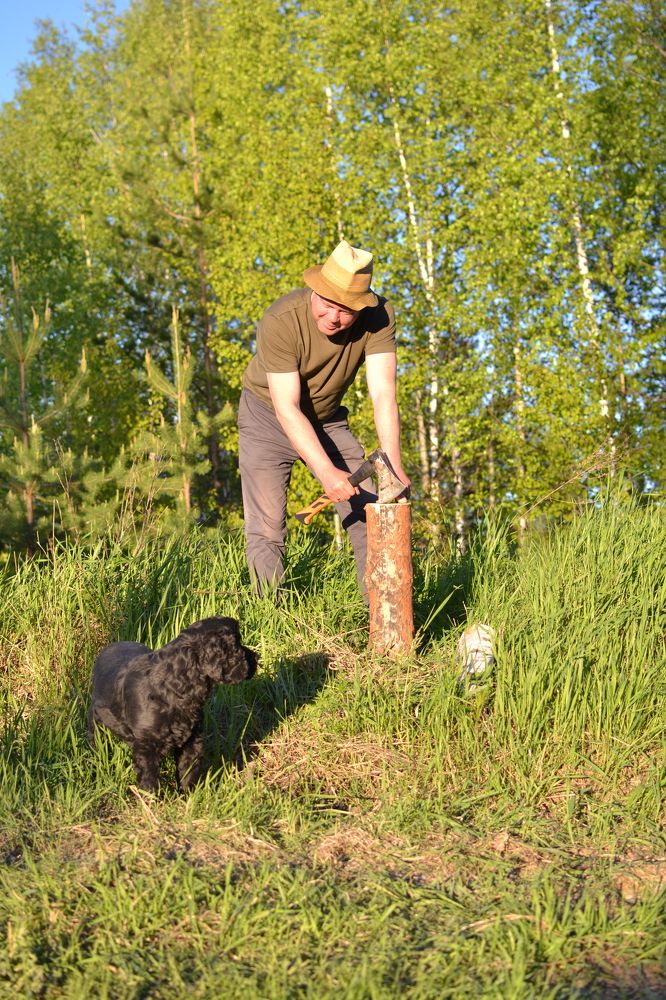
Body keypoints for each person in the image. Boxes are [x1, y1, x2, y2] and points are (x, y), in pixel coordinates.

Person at [237, 239, 410, 599]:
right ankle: (272, 624)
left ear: (363, 307)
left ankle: (382, 621)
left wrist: (392, 463)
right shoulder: (281, 320)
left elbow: (383, 393)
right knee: (267, 526)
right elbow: (287, 407)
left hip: (328, 420)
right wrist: (327, 474)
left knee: (371, 511)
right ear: (315, 291)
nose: (333, 317)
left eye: (346, 310)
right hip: (266, 416)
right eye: (328, 305)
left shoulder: (380, 318)